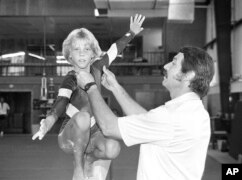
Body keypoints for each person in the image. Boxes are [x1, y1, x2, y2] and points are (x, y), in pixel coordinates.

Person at [32, 14, 145, 180]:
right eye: (76, 49)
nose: (82, 53)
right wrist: (48, 122)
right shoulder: (70, 78)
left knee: (113, 148)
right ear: (70, 56)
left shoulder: (98, 69)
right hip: (70, 135)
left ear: (93, 54)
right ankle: (79, 168)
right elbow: (61, 102)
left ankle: (88, 159)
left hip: (93, 133)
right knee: (84, 117)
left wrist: (131, 32)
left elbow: (115, 49)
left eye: (86, 49)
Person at [76, 46, 215, 180]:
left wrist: (90, 87)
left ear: (188, 76)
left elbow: (109, 127)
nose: (166, 66)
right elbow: (146, 121)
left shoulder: (173, 117)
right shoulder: (195, 112)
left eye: (173, 63)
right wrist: (116, 87)